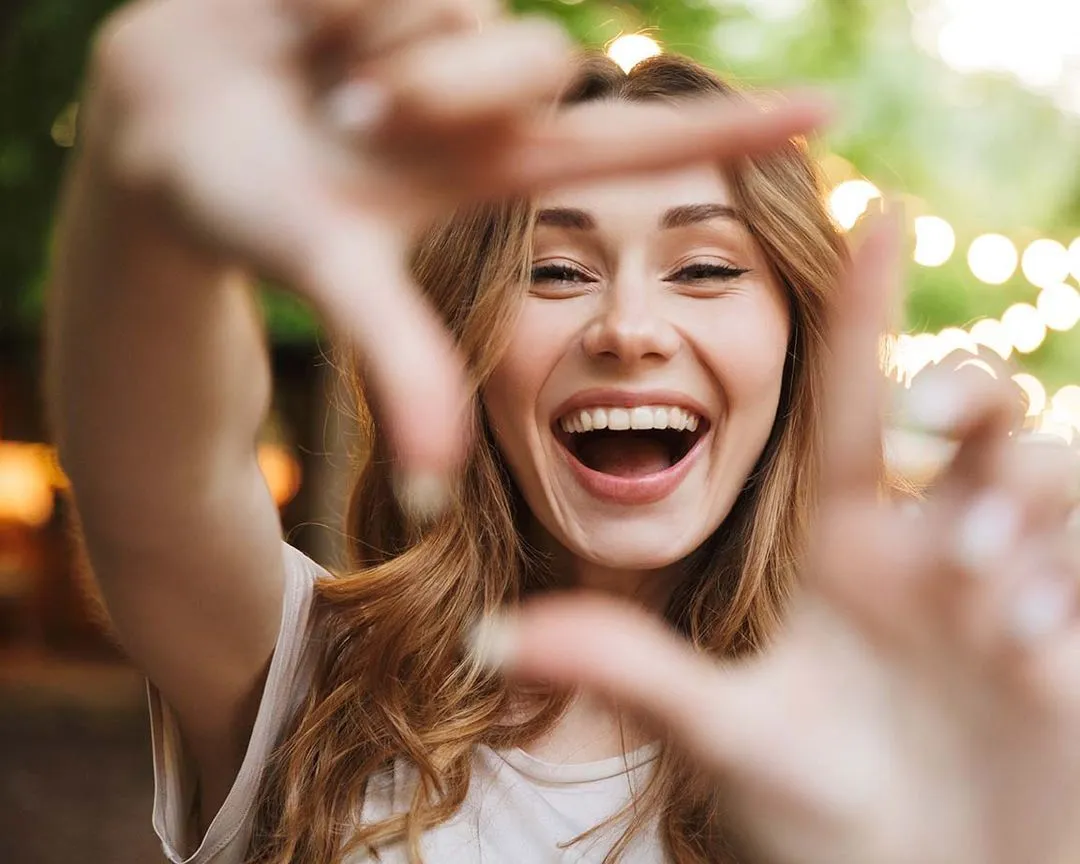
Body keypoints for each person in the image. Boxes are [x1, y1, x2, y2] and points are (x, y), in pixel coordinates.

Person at [44, 1, 1080, 863]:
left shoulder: (931, 721)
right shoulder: (311, 678)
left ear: (799, 345)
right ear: (467, 343)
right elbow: (162, 472)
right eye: (555, 271)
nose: (628, 328)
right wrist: (145, 215)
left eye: (707, 269)